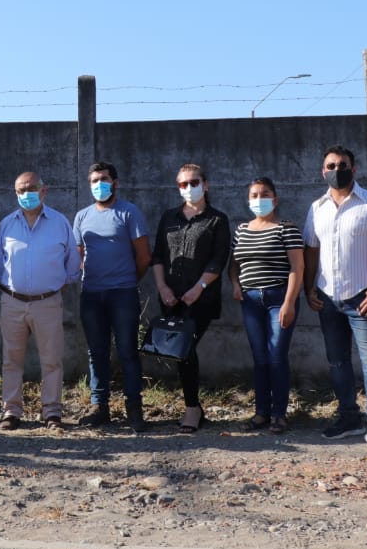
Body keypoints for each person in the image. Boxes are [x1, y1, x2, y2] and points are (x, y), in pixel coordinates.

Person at [303, 145, 367, 451]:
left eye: (342, 165)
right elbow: (311, 250)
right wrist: (309, 288)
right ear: (323, 171)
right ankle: (348, 417)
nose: (336, 170)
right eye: (330, 166)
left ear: (354, 169)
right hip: (327, 298)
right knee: (337, 362)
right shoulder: (316, 207)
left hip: (363, 298)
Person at [0, 171, 80, 430]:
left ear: (44, 191)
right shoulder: (7, 224)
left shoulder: (60, 223)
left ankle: (52, 412)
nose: (25, 194)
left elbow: (72, 265)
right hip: (12, 302)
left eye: (31, 188)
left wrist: (51, 288)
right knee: (11, 359)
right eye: (20, 190)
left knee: (52, 359)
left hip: (48, 302)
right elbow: (0, 265)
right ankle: (11, 411)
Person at [151, 163, 231, 434]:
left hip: (201, 300)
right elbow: (159, 255)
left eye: (194, 182)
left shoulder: (217, 219)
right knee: (179, 353)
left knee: (186, 348)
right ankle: (193, 405)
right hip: (171, 298)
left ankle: (192, 408)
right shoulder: (169, 217)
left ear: (205, 185)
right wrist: (162, 287)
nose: (189, 188)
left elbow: (219, 259)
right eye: (183, 184)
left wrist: (199, 287)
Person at [72, 162, 150, 432]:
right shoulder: (81, 216)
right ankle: (99, 406)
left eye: (104, 179)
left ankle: (134, 408)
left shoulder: (129, 212)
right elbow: (78, 256)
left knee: (128, 350)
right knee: (96, 352)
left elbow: (143, 257)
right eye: (94, 180)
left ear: (115, 182)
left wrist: (126, 281)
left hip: (123, 294)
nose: (99, 185)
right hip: (91, 294)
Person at [228, 177, 304, 435]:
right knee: (260, 358)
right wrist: (236, 285)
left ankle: (279, 414)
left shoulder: (286, 228)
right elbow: (234, 263)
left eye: (265, 194)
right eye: (254, 195)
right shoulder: (241, 229)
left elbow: (297, 267)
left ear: (275, 199)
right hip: (250, 301)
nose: (259, 199)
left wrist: (289, 302)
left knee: (276, 356)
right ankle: (262, 412)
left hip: (278, 299)